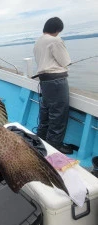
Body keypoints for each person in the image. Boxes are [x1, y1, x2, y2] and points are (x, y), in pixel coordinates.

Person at [33, 17, 73, 155]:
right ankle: (54, 146)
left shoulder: (38, 41)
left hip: (44, 81)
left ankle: (41, 138)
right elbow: (65, 61)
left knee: (45, 110)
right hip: (56, 81)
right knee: (58, 113)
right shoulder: (55, 40)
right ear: (57, 29)